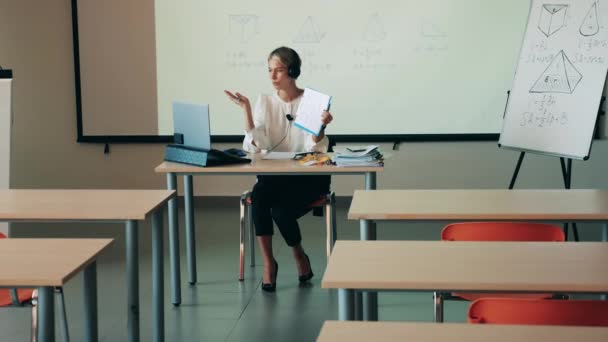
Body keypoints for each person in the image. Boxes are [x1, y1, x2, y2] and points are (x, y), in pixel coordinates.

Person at [224, 46, 333, 292]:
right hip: (274, 178)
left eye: (279, 70)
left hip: (306, 179)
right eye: (269, 71)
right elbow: (256, 145)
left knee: (282, 211)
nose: (272, 77)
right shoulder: (266, 102)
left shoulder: (311, 102)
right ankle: (268, 264)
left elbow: (315, 149)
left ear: (292, 71)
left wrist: (321, 127)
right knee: (260, 196)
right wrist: (247, 111)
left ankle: (298, 255)